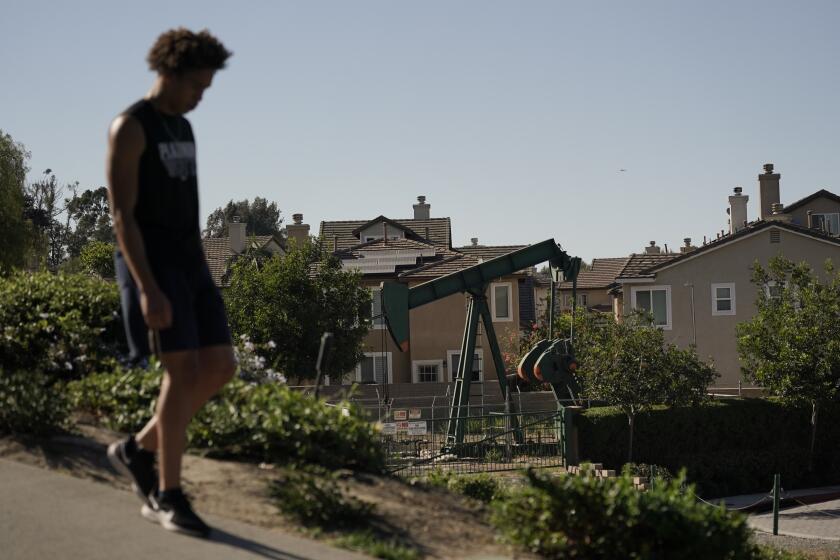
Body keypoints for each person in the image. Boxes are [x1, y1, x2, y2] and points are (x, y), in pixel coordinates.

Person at [105, 28, 235, 538]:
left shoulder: (183, 127)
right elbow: (122, 216)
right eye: (196, 87)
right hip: (152, 266)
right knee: (180, 376)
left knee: (220, 366)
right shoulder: (131, 128)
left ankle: (136, 451)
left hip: (192, 263)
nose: (201, 97)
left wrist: (200, 268)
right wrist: (146, 287)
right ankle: (167, 494)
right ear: (170, 72)